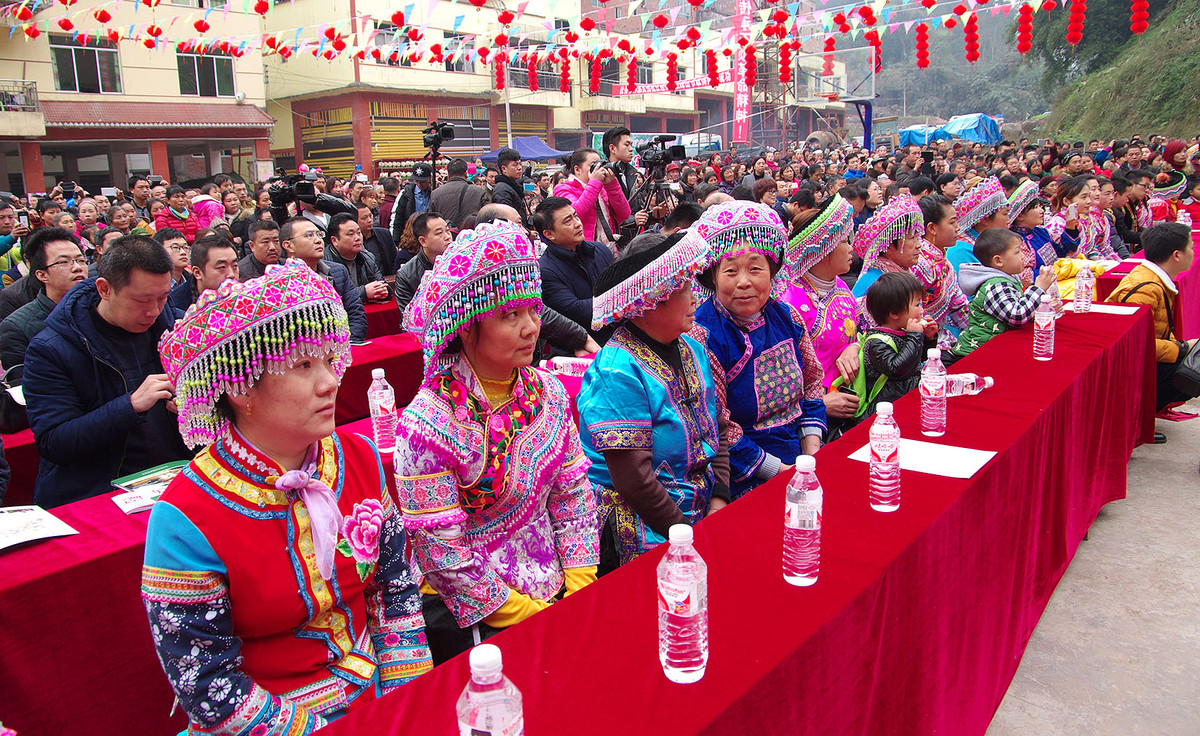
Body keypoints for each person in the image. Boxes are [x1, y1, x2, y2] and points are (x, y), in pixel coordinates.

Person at [144, 261, 432, 733]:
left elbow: (395, 590)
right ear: (239, 388)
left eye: (326, 360)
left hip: (378, 693)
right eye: (302, 366)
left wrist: (407, 701)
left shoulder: (356, 457)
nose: (330, 381)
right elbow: (207, 684)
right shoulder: (187, 516)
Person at [395, 221, 600, 662]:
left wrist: (581, 584)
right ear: (466, 327)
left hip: (560, 581)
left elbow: (573, 493)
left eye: (532, 310)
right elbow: (443, 552)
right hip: (483, 611)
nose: (531, 328)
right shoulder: (427, 425)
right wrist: (531, 613)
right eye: (510, 315)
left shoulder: (546, 392)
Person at [578, 229, 729, 570]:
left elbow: (717, 429)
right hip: (647, 523)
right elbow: (634, 479)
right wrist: (687, 535)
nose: (695, 299)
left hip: (703, 511)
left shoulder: (692, 347)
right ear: (652, 298)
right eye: (685, 289)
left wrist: (720, 500)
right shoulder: (617, 370)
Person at [23, 235, 190, 507]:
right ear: (104, 289)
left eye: (162, 297)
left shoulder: (178, 327)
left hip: (179, 479)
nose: (153, 311)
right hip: (99, 493)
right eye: (141, 300)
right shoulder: (52, 348)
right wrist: (130, 406)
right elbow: (54, 442)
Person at [688, 203, 827, 499]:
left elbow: (814, 383)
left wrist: (811, 452)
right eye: (730, 271)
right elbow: (717, 423)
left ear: (772, 271)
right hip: (743, 471)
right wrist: (780, 471)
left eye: (755, 268)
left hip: (803, 454)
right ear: (712, 278)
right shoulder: (702, 334)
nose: (744, 282)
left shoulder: (787, 316)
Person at [777, 195, 863, 425]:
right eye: (845, 241)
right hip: (812, 416)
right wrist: (820, 403)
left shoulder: (840, 285)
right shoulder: (789, 300)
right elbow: (781, 380)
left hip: (849, 400)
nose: (851, 248)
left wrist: (852, 347)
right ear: (823, 248)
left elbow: (859, 328)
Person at [1107, 223, 1197, 416]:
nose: (1194, 251)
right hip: (1128, 369)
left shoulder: (1155, 278)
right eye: (1191, 247)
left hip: (1146, 359)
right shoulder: (1145, 288)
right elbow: (1132, 343)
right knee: (1195, 369)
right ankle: (1139, 414)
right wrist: (1182, 348)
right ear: (1177, 255)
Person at [948, 228, 1055, 361]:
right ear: (998, 261)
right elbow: (1017, 315)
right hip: (977, 353)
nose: (1023, 256)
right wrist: (1038, 289)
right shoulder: (995, 285)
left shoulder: (1008, 277)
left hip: (995, 348)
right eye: (1017, 252)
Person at [847, 272, 938, 423]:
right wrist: (915, 336)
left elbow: (917, 360)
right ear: (894, 313)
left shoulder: (903, 333)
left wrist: (928, 338)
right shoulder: (876, 342)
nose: (921, 310)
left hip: (908, 400)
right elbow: (898, 369)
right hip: (887, 410)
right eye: (916, 305)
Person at [0, 228, 87, 370]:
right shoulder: (17, 328)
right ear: (41, 275)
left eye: (81, 260)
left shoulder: (103, 309)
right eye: (63, 262)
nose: (77, 267)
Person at [535, 196, 613, 335]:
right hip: (579, 345)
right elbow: (577, 310)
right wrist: (620, 296)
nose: (577, 224)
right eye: (568, 221)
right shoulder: (546, 271)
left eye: (575, 216)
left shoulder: (600, 250)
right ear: (549, 234)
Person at [280, 217, 368, 341]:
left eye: (319, 234)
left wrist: (346, 344)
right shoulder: (279, 282)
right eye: (309, 236)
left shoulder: (338, 271)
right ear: (288, 246)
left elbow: (356, 313)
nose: (318, 240)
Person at [851, 195, 926, 307]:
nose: (919, 245)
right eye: (911, 238)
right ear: (888, 245)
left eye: (917, 238)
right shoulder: (874, 283)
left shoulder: (899, 271)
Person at [914, 194, 969, 346]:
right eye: (952, 222)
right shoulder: (919, 263)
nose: (958, 228)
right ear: (932, 228)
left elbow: (959, 305)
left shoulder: (943, 262)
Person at [552, 148, 631, 249]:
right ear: (577, 169)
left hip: (607, 249)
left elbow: (624, 214)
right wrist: (594, 183)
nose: (599, 168)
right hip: (582, 251)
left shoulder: (601, 189)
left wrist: (612, 185)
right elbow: (576, 214)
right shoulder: (563, 189)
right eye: (594, 165)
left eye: (601, 164)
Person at [1007, 179, 1078, 288]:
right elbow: (1024, 275)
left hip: (1055, 281)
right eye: (1036, 208)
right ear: (1020, 216)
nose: (1042, 211)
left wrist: (1070, 227)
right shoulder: (1016, 240)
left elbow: (1063, 250)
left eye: (1040, 207)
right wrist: (1055, 271)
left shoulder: (1041, 231)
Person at [946, 176, 1009, 273]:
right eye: (1005, 214)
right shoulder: (961, 251)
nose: (1009, 220)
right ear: (985, 219)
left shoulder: (994, 242)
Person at [167, 233, 240, 315]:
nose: (231, 275)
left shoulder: (246, 298)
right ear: (197, 272)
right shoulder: (175, 309)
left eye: (235, 266)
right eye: (222, 267)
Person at [394, 212, 452, 317]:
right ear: (423, 241)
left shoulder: (459, 262)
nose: (447, 237)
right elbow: (406, 319)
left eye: (447, 231)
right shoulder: (406, 275)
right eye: (439, 233)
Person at [325, 213, 390, 304]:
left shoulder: (368, 258)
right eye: (351, 234)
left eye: (359, 233)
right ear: (335, 240)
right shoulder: (325, 264)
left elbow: (385, 287)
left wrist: (382, 290)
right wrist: (364, 292)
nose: (357, 238)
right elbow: (332, 297)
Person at [428, 159, 487, 232]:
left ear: (448, 175)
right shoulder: (479, 191)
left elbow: (431, 220)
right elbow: (486, 217)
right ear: (466, 173)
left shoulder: (435, 194)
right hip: (472, 237)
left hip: (447, 237)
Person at [390, 163, 434, 243]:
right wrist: (395, 241)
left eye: (423, 181)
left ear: (429, 179)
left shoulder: (435, 192)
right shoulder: (406, 193)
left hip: (430, 234)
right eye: (417, 181)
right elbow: (397, 219)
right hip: (411, 236)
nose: (420, 184)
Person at [489, 148, 531, 227]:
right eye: (515, 165)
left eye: (520, 164)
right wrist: (527, 232)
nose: (519, 168)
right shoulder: (502, 190)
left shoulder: (512, 186)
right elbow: (506, 220)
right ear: (504, 168)